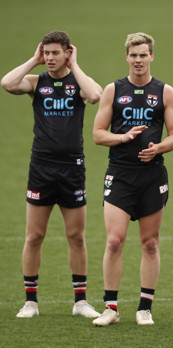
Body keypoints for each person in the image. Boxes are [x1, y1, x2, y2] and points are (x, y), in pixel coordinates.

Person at [1, 30, 102, 319]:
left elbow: (94, 95)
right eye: (46, 53)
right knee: (34, 236)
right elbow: (7, 83)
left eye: (55, 53)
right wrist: (32, 61)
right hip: (41, 168)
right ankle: (30, 301)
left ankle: (80, 301)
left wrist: (75, 66)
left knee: (76, 236)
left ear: (67, 53)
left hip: (72, 169)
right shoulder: (37, 82)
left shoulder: (77, 83)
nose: (49, 58)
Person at [91, 32, 173, 326]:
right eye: (134, 55)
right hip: (120, 174)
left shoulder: (165, 91)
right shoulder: (113, 90)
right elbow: (97, 134)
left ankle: (145, 307)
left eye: (144, 55)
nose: (139, 60)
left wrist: (158, 148)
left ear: (151, 56)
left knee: (150, 243)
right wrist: (123, 137)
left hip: (152, 176)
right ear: (126, 57)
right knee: (115, 241)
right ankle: (111, 308)